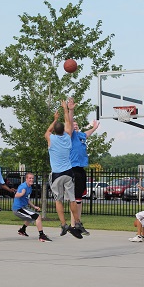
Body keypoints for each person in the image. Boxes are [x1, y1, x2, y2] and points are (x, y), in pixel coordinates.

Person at [44, 99, 83, 239]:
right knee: (72, 200)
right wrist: (66, 109)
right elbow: (69, 123)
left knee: (58, 200)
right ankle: (77, 222)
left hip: (57, 174)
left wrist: (55, 119)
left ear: (55, 130)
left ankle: (64, 224)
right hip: (68, 172)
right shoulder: (67, 137)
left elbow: (47, 131)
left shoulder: (51, 139)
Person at [68, 97, 100, 236]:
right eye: (73, 125)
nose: (74, 126)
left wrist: (94, 127)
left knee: (79, 198)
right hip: (73, 168)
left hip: (81, 169)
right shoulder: (70, 135)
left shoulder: (80, 135)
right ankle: (73, 224)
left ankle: (77, 223)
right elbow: (69, 122)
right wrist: (71, 110)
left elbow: (87, 133)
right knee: (74, 198)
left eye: (76, 125)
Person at [12, 172, 52, 242]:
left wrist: (34, 206)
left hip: (24, 207)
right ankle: (41, 236)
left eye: (32, 178)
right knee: (37, 216)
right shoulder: (23, 186)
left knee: (31, 216)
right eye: (30, 178)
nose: (31, 179)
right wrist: (21, 193)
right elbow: (16, 195)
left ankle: (22, 230)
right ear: (26, 179)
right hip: (18, 209)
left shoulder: (29, 187)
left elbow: (27, 200)